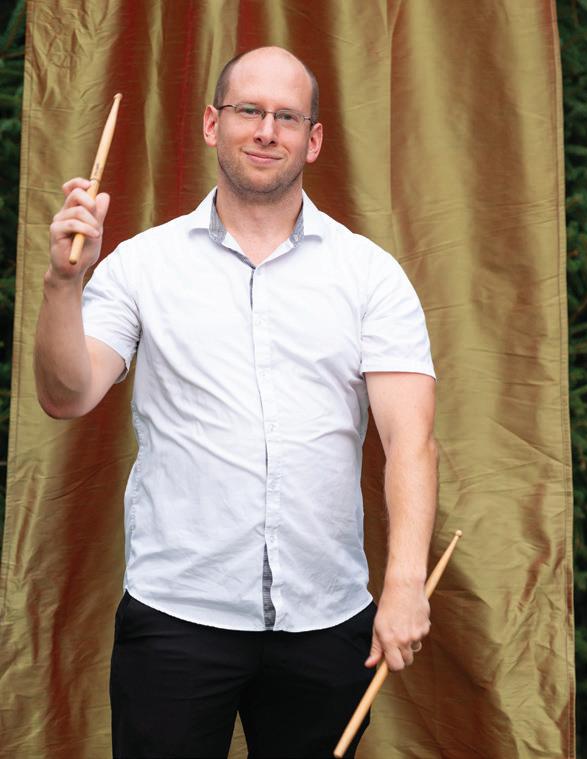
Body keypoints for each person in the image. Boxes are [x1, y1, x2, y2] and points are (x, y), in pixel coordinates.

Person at [34, 46, 438, 759]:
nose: (266, 131)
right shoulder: (142, 265)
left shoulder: (369, 275)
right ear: (211, 124)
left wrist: (406, 582)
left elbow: (411, 442)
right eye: (248, 110)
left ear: (313, 139)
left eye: (288, 117)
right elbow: (66, 395)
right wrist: (64, 286)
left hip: (325, 618)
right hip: (176, 616)